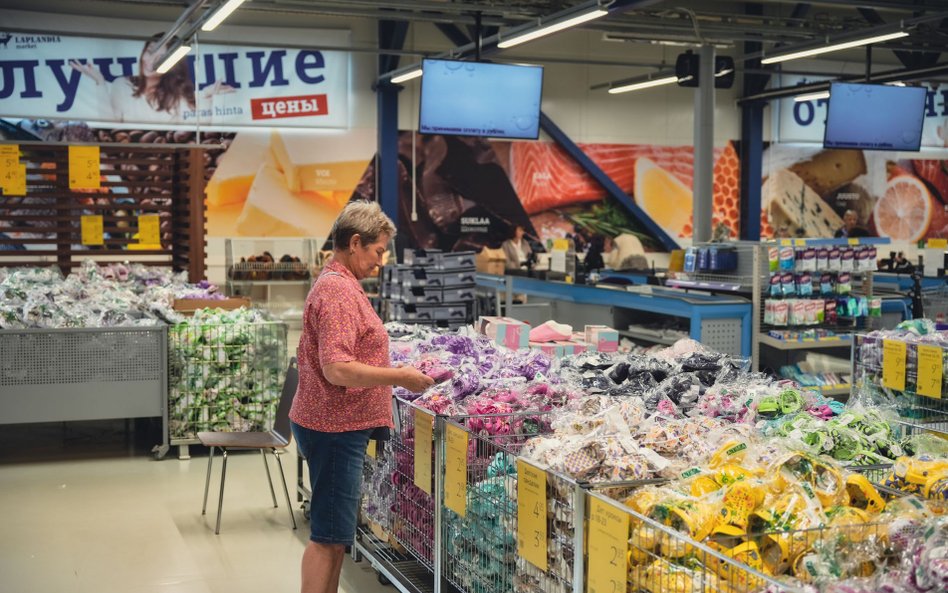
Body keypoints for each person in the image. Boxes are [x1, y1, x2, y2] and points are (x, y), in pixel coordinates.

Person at [289, 201, 434, 593]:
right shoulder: (337, 290)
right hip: (334, 428)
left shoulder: (340, 282)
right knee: (327, 536)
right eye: (378, 251)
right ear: (355, 243)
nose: (381, 261)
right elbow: (337, 367)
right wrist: (400, 376)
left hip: (332, 423)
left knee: (335, 535)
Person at [70, 33, 231, 124]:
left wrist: (207, 97)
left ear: (173, 65)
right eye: (150, 51)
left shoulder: (178, 96)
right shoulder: (122, 85)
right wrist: (99, 82)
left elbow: (197, 134)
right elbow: (109, 127)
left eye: (162, 57)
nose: (151, 61)